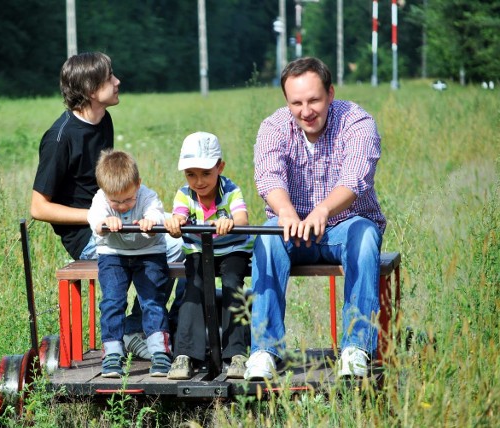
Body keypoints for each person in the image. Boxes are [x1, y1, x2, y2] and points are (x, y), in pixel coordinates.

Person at [30, 52, 183, 361]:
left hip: (120, 218)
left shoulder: (104, 120)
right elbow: (38, 207)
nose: (117, 81)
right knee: (163, 252)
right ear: (90, 90)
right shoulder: (59, 139)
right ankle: (134, 332)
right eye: (110, 78)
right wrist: (94, 217)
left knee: (180, 244)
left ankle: (139, 327)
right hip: (89, 235)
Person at [244, 57, 387, 381]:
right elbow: (268, 176)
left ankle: (356, 349)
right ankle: (265, 350)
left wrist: (322, 210)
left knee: (365, 239)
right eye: (296, 102)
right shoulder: (274, 126)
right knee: (267, 238)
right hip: (291, 227)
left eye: (313, 100)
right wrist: (286, 212)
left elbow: (355, 177)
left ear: (330, 94)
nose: (305, 110)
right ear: (286, 101)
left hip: (346, 223)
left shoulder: (357, 122)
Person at [164, 132, 253, 380]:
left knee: (232, 285)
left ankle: (236, 353)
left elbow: (243, 218)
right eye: (191, 174)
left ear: (220, 167)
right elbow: (179, 214)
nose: (199, 181)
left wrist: (230, 221)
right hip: (199, 250)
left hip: (231, 249)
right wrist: (175, 221)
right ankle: (185, 355)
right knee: (192, 287)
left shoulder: (231, 190)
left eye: (206, 173)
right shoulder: (184, 194)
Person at [87, 149, 173, 377]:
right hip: (114, 254)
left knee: (153, 300)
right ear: (105, 192)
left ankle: (160, 352)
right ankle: (113, 352)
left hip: (149, 252)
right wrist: (106, 221)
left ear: (138, 184)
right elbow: (95, 220)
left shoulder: (147, 196)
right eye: (115, 201)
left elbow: (156, 213)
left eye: (128, 199)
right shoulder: (100, 200)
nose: (123, 205)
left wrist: (150, 221)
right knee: (113, 302)